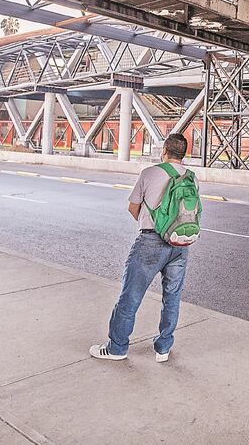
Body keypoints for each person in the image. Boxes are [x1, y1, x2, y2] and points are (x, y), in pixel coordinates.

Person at [90, 133, 193, 363]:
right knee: (172, 298)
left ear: (164, 151)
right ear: (183, 154)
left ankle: (117, 347)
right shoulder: (192, 177)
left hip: (151, 241)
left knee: (131, 295)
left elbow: (132, 207)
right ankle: (163, 348)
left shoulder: (149, 173)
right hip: (180, 244)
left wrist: (150, 224)